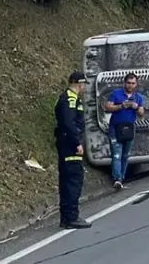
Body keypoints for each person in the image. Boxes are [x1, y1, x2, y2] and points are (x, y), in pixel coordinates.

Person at [54, 71, 91, 229]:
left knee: (68, 181)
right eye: (83, 85)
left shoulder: (67, 98)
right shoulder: (70, 99)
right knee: (73, 181)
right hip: (70, 146)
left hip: (66, 144)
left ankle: (66, 217)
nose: (84, 88)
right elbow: (69, 124)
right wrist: (77, 143)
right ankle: (71, 217)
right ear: (79, 84)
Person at [103, 72, 145, 190]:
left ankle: (121, 177)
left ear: (136, 85)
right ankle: (117, 178)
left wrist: (135, 107)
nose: (130, 85)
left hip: (129, 129)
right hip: (115, 128)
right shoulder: (116, 94)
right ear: (124, 83)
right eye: (128, 83)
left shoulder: (138, 97)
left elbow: (141, 113)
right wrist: (121, 106)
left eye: (133, 83)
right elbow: (107, 107)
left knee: (125, 155)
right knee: (116, 154)